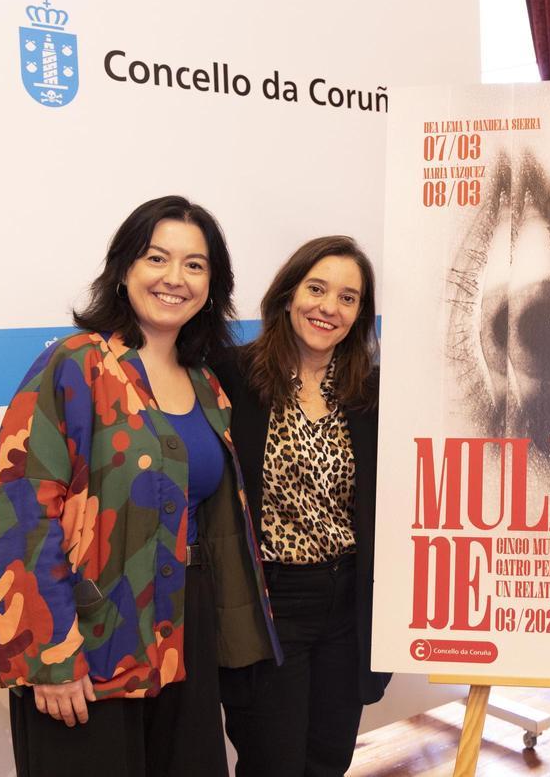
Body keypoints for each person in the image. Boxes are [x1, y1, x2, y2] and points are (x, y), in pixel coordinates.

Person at [0, 196, 281, 777]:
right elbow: (25, 509)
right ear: (124, 269)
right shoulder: (75, 364)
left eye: (195, 265)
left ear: (212, 284)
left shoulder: (207, 384)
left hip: (186, 632)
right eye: (157, 258)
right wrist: (50, 655)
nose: (175, 278)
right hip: (89, 635)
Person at [213, 236, 390, 777]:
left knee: (328, 758)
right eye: (316, 288)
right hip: (272, 604)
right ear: (288, 294)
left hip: (348, 604)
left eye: (347, 297)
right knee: (273, 762)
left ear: (360, 314)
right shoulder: (233, 376)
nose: (328, 307)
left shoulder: (370, 391)